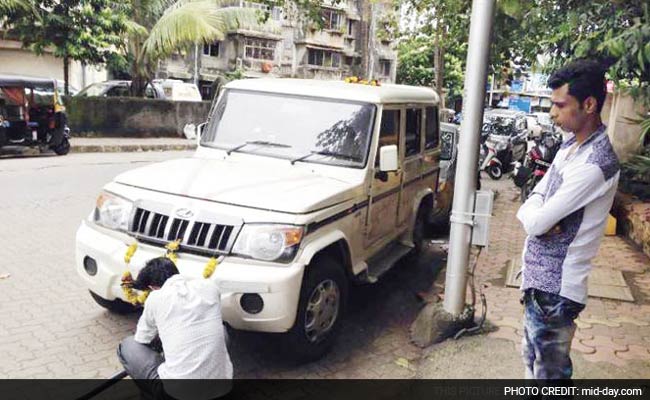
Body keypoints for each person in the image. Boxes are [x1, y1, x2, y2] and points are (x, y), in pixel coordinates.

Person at [516, 59, 619, 380]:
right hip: (539, 285)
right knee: (532, 368)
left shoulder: (595, 163)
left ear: (589, 104)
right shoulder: (569, 147)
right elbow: (535, 197)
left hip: (555, 294)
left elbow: (534, 222)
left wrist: (539, 213)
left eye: (560, 105)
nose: (552, 113)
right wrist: (539, 209)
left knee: (549, 379)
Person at [117, 257, 232, 399]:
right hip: (222, 389)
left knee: (128, 345)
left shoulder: (156, 298)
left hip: (177, 394)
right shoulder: (209, 287)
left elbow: (143, 338)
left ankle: (150, 395)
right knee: (222, 330)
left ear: (152, 287)